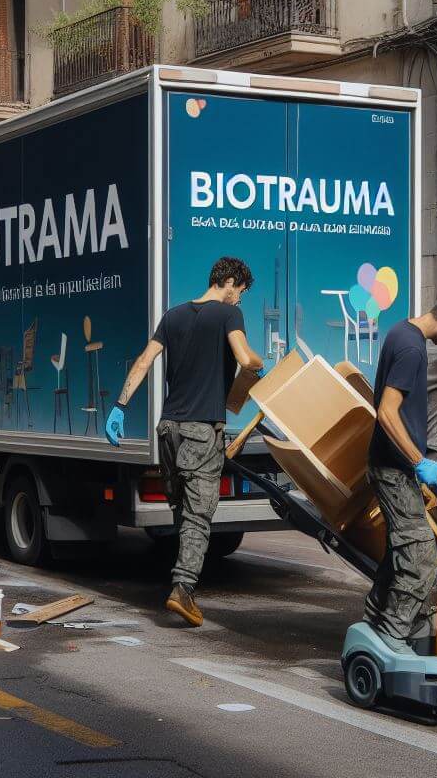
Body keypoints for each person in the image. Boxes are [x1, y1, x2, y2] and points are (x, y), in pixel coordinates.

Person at [104, 256, 264, 627]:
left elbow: (144, 361)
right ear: (227, 281)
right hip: (201, 430)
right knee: (199, 515)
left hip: (169, 430)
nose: (239, 300)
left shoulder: (173, 315)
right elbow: (243, 357)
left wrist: (119, 406)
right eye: (239, 292)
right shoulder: (227, 315)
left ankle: (181, 578)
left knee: (181, 510)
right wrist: (259, 363)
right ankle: (183, 589)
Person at [363, 293, 437, 655]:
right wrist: (418, 460)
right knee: (421, 558)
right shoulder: (413, 349)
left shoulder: (401, 331)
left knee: (403, 544)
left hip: (393, 464)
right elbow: (386, 411)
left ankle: (373, 615)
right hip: (394, 467)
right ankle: (392, 635)